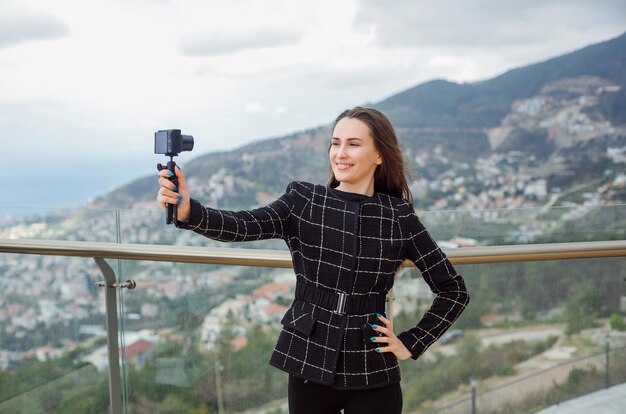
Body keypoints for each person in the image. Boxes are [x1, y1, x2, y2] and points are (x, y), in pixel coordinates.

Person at [156, 107, 470, 413]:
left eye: (353, 144)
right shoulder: (304, 201)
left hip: (373, 366)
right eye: (336, 143)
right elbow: (242, 225)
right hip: (309, 361)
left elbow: (453, 291)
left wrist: (411, 342)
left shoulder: (398, 217)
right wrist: (188, 212)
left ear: (379, 155)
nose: (340, 153)